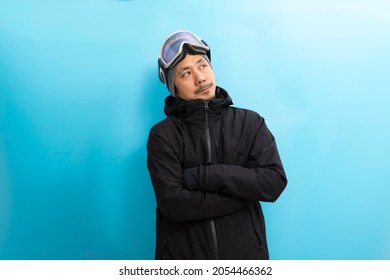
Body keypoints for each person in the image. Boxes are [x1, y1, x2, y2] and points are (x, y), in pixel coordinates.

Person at [147, 30, 287, 260]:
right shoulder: (162, 136)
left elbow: (273, 182)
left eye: (202, 66)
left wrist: (204, 176)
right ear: (175, 88)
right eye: (185, 73)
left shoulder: (250, 123)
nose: (200, 78)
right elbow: (175, 206)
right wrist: (245, 193)